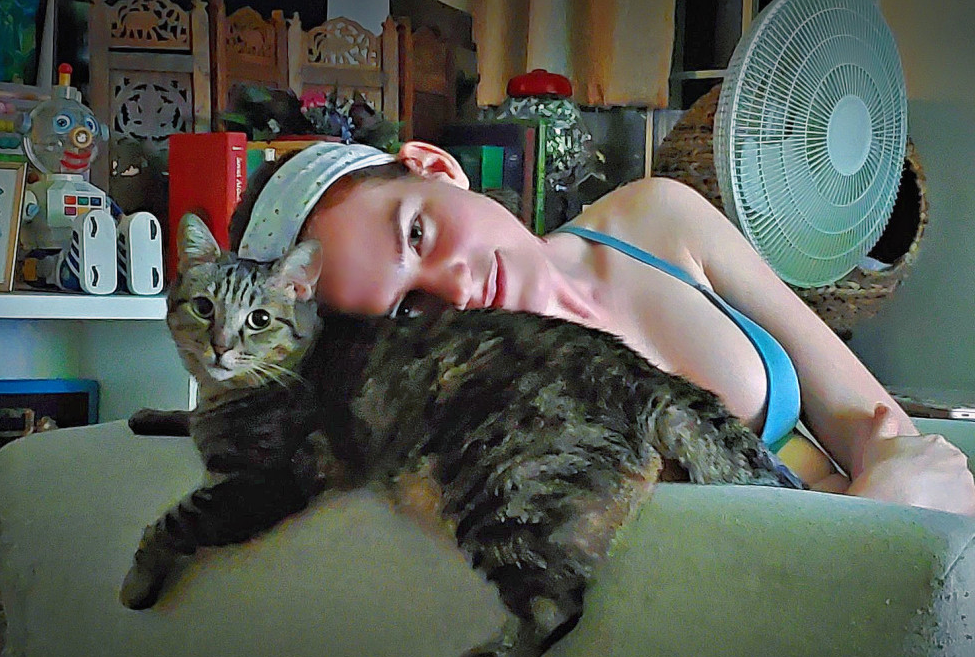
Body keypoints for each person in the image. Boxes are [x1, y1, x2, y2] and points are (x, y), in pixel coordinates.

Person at [232, 140, 975, 516]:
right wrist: (883, 507)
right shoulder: (503, 422)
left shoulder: (656, 219)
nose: (456, 290)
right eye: (408, 311)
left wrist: (898, 488)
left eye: (419, 235)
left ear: (435, 166)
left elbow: (882, 425)